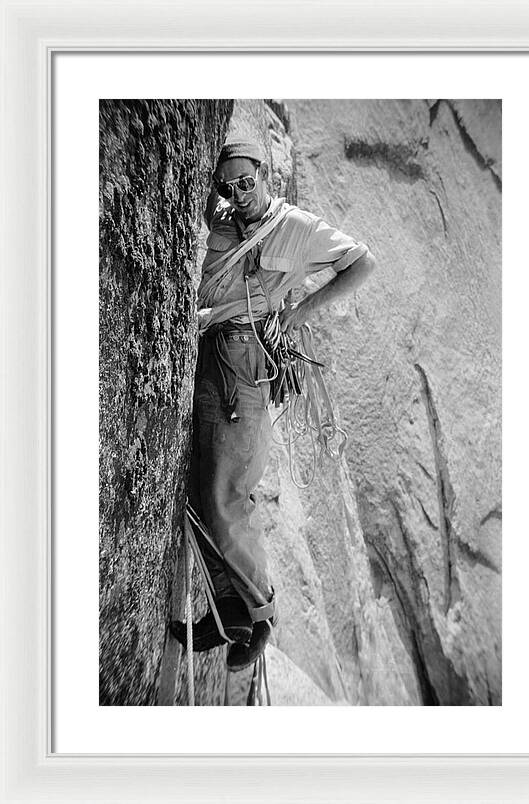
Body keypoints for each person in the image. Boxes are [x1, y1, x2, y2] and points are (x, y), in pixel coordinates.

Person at [170, 140, 376, 671]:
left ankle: (259, 616)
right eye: (228, 186)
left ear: (266, 177)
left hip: (244, 361)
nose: (238, 194)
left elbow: (361, 262)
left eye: (246, 182)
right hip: (212, 350)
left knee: (229, 491)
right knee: (198, 482)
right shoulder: (222, 220)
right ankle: (229, 611)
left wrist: (301, 311)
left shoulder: (297, 228)